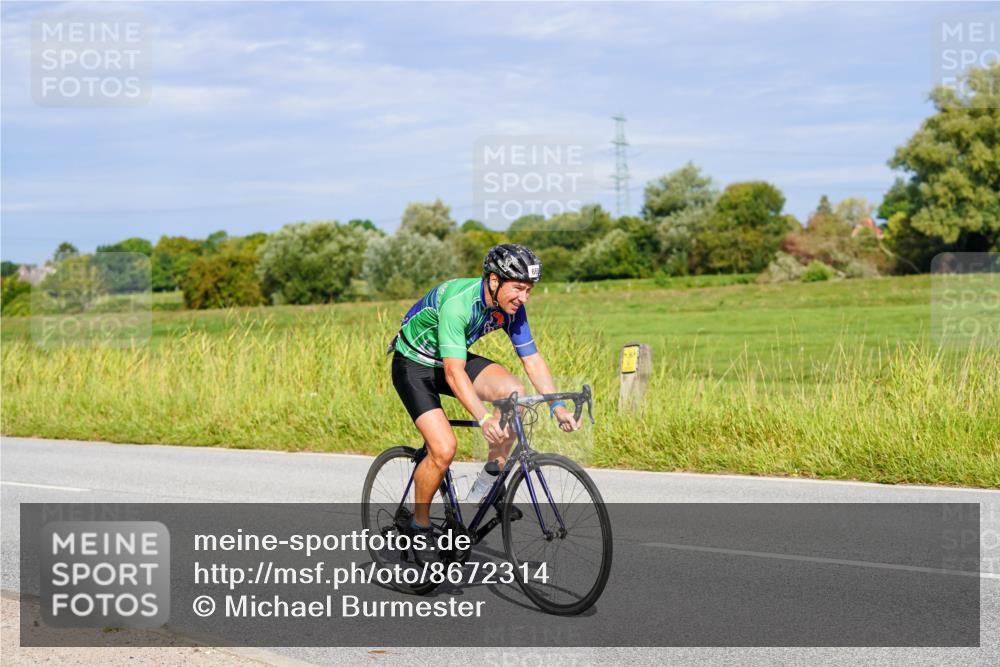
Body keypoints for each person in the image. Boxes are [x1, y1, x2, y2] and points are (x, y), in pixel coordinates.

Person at [389, 243, 581, 533]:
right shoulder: (459, 303)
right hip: (414, 365)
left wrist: (558, 406)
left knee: (513, 395)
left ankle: (488, 484)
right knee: (443, 449)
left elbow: (531, 359)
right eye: (518, 288)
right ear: (494, 280)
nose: (524, 298)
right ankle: (418, 523)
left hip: (449, 357)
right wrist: (483, 417)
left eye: (529, 290)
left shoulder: (511, 308)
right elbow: (454, 373)